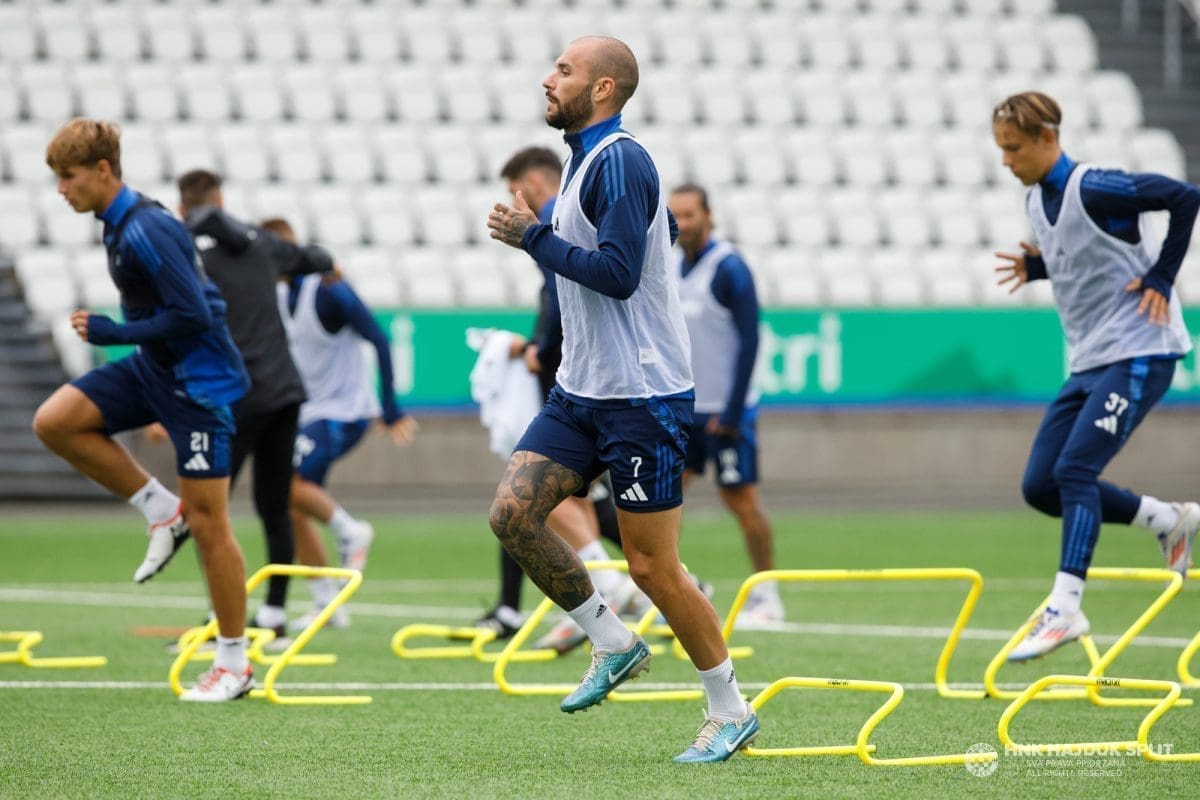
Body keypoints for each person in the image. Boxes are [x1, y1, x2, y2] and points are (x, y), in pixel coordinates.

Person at [486, 36, 758, 763]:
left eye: (564, 71)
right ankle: (613, 642)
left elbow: (617, 274)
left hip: (643, 398)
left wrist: (532, 237)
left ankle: (729, 707)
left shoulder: (623, 159)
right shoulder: (585, 164)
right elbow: (647, 236)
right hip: (583, 390)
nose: (548, 79)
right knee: (512, 513)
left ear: (604, 88)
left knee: (652, 569)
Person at [33, 118, 252, 701]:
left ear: (103, 171)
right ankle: (161, 510)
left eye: (68, 177)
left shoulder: (146, 228)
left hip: (196, 387)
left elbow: (196, 315)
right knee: (56, 421)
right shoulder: (119, 221)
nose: (61, 190)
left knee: (212, 526)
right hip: (157, 369)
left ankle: (234, 661)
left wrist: (114, 330)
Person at [991, 92, 1200, 662]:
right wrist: (1038, 267)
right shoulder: (1036, 198)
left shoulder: (1098, 185)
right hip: (1090, 359)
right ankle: (1167, 518)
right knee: (1041, 486)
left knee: (1075, 469)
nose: (1006, 161)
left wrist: (1161, 278)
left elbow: (1185, 197)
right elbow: (1083, 256)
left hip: (1141, 352)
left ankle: (1065, 607)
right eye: (1001, 150)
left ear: (1046, 139)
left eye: (1013, 149)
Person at [171, 169, 335, 641]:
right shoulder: (263, 244)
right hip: (284, 392)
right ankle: (276, 615)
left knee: (208, 510)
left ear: (184, 208)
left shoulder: (188, 257)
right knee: (274, 507)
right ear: (221, 199)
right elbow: (318, 257)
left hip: (234, 397)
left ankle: (222, 615)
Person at [478, 146, 627, 653]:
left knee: (555, 497)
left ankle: (613, 595)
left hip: (593, 387)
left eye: (516, 189)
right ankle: (601, 605)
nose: (513, 202)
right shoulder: (553, 232)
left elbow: (576, 292)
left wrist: (544, 348)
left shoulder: (559, 227)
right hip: (577, 381)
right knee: (531, 498)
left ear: (538, 185)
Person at [267, 218, 418, 629]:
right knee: (287, 501)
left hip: (344, 413)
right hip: (309, 413)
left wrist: (390, 409)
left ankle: (351, 530)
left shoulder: (330, 292)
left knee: (291, 485)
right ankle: (326, 603)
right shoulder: (278, 294)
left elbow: (380, 339)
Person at [668, 183, 783, 628]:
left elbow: (751, 340)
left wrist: (733, 412)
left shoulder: (728, 268)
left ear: (709, 216)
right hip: (685, 410)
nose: (682, 224)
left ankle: (767, 595)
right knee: (663, 501)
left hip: (726, 413)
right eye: (675, 216)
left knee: (742, 501)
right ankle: (677, 587)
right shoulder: (672, 266)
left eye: (690, 214)